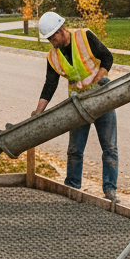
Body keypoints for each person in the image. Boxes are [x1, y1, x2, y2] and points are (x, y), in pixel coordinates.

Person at [31, 11, 119, 202]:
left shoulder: (85, 37)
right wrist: (39, 111)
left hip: (102, 99)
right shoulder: (52, 56)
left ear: (61, 30)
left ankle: (110, 190)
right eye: (48, 39)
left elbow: (107, 58)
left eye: (52, 37)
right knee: (74, 150)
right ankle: (72, 188)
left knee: (110, 148)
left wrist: (97, 81)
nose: (51, 42)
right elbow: (50, 84)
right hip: (78, 105)